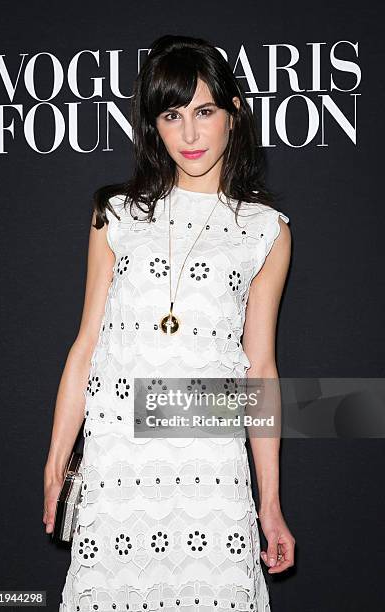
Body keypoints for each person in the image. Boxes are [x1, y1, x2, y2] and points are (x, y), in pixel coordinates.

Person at [43, 34, 295, 612]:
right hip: (118, 459)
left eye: (204, 111)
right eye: (171, 114)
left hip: (210, 464)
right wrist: (56, 462)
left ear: (234, 114)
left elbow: (259, 369)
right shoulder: (118, 215)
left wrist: (271, 503)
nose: (188, 135)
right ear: (153, 126)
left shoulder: (266, 230)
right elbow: (87, 345)